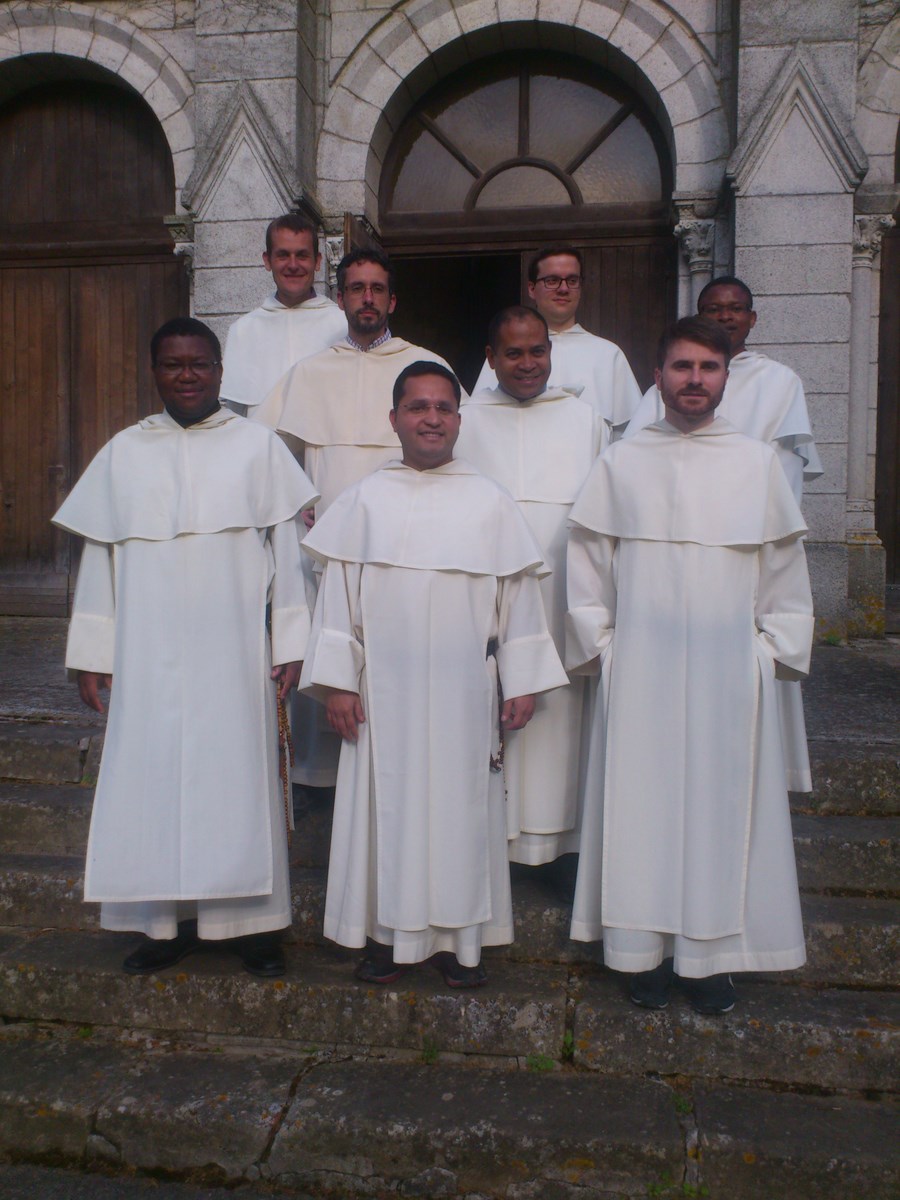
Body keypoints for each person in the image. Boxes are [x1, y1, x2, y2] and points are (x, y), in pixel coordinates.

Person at [54, 318, 318, 978]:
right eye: (173, 364)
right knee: (154, 785)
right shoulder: (124, 452)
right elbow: (100, 563)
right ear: (155, 372)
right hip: (149, 658)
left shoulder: (257, 448)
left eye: (199, 363)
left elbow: (286, 556)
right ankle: (163, 924)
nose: (188, 374)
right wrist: (93, 651)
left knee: (241, 783)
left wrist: (290, 641)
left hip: (234, 654)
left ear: (220, 371)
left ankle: (253, 928)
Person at [567, 317, 814, 1015]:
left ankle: (707, 960)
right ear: (659, 375)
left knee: (718, 809)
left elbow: (783, 575)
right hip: (640, 667)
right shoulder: (622, 461)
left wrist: (766, 656)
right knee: (640, 807)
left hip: (728, 674)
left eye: (708, 367)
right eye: (681, 367)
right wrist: (607, 650)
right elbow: (587, 566)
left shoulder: (756, 463)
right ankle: (640, 952)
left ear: (725, 377)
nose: (694, 380)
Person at [299, 361, 568, 987]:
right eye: (418, 407)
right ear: (394, 418)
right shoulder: (364, 500)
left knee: (460, 812)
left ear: (458, 419)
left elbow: (519, 604)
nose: (431, 418)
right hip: (379, 696)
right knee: (380, 810)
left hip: (462, 696)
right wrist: (339, 682)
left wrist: (522, 678)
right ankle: (384, 938)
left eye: (443, 407)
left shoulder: (489, 502)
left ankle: (455, 943)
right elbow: (337, 600)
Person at [253, 248, 457, 789]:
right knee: (331, 649)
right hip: (330, 549)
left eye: (378, 288)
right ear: (339, 297)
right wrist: (302, 506)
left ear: (393, 298)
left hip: (406, 545)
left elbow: (450, 450)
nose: (368, 298)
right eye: (357, 288)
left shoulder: (425, 368)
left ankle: (397, 769)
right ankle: (321, 778)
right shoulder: (310, 373)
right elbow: (274, 454)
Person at [624, 275, 822, 793]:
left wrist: (771, 644)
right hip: (656, 600)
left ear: (751, 319)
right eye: (714, 307)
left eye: (735, 309)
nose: (725, 316)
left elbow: (785, 484)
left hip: (737, 573)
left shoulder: (778, 384)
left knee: (735, 766)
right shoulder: (632, 447)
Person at [456, 306, 602, 866]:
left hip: (561, 590)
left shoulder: (584, 419)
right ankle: (486, 843)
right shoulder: (466, 417)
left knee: (558, 718)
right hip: (485, 592)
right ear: (490, 359)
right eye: (512, 353)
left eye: (537, 350)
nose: (527, 363)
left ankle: (557, 846)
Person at [473, 245, 641, 444]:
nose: (563, 289)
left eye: (572, 280)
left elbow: (627, 439)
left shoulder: (608, 355)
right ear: (531, 289)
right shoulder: (506, 355)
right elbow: (481, 423)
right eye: (552, 280)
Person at [219, 214, 346, 414]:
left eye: (302, 255)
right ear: (267, 260)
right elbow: (236, 416)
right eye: (283, 255)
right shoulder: (243, 331)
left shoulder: (342, 325)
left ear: (317, 261)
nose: (293, 265)